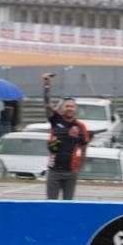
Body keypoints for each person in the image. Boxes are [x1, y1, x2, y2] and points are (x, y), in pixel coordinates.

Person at [41, 72, 89, 200]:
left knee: (68, 206)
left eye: (72, 106)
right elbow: (47, 104)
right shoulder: (55, 119)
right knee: (51, 205)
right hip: (54, 171)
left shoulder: (80, 127)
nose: (69, 108)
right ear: (62, 108)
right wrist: (46, 85)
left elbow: (84, 148)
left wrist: (79, 168)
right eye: (67, 106)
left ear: (75, 109)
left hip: (70, 173)